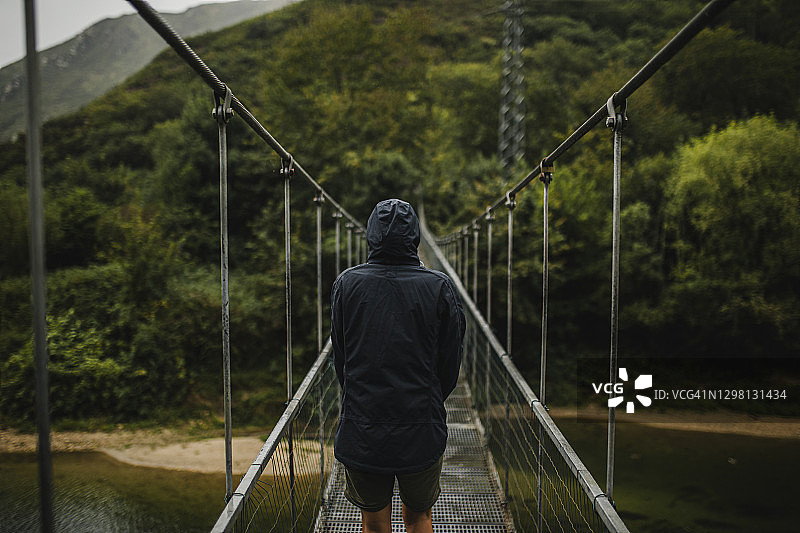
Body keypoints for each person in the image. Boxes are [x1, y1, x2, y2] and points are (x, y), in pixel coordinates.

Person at [330, 199, 465, 533]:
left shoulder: (347, 284)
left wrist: (360, 397)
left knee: (374, 520)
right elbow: (450, 364)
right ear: (415, 236)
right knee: (418, 516)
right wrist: (430, 399)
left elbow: (342, 358)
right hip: (421, 426)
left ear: (371, 234)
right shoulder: (439, 287)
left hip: (362, 427)